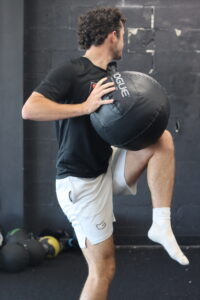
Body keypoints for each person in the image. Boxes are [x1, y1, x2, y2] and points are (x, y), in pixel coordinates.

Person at [22, 7, 189, 300]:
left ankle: (161, 225)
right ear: (113, 35)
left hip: (104, 168)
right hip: (81, 183)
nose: (124, 41)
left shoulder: (110, 76)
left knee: (160, 139)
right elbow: (30, 109)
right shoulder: (73, 70)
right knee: (103, 269)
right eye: (123, 35)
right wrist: (84, 107)